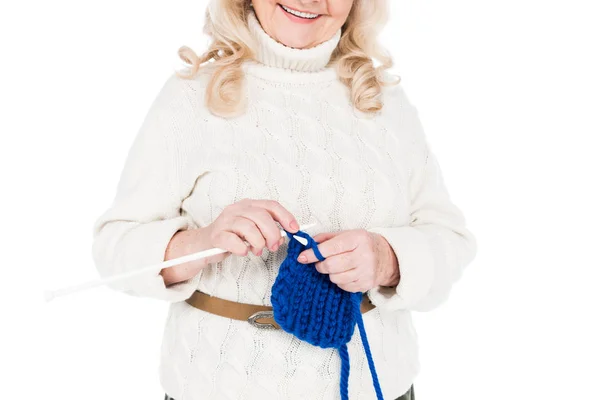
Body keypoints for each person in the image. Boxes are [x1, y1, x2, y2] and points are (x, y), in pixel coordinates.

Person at [91, 0, 478, 399]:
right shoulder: (191, 96)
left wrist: (386, 260)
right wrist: (202, 242)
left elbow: (451, 240)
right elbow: (113, 249)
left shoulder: (383, 101)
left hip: (375, 387)